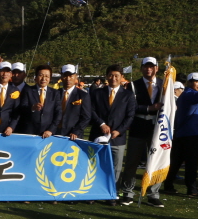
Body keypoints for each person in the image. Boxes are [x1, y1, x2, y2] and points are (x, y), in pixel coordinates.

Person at [119, 57, 164, 207]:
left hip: (157, 128)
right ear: (142, 68)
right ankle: (128, 192)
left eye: (151, 66)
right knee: (132, 161)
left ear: (157, 68)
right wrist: (148, 108)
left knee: (156, 162)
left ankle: (153, 194)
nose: (148, 69)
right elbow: (130, 107)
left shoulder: (164, 85)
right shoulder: (133, 85)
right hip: (138, 126)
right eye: (146, 66)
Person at [89, 65, 137, 204]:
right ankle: (94, 193)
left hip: (118, 137)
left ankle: (112, 193)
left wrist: (120, 130)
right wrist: (101, 124)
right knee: (95, 164)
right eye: (110, 75)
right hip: (98, 135)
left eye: (116, 75)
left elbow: (130, 115)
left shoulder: (128, 95)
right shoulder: (98, 93)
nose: (113, 78)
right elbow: (91, 111)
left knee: (116, 168)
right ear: (106, 76)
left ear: (121, 77)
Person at [16, 65, 61, 138]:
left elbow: (58, 113)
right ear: (36, 77)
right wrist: (32, 108)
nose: (44, 79)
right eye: (41, 75)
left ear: (50, 79)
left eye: (47, 76)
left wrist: (50, 130)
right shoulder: (28, 90)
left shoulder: (55, 93)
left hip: (47, 134)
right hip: (29, 133)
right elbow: (22, 108)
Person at [55, 64, 92, 140]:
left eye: (71, 76)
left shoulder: (83, 95)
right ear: (61, 77)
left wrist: (76, 131)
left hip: (73, 136)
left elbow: (86, 117)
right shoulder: (55, 94)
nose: (68, 79)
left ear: (76, 76)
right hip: (55, 134)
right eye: (65, 75)